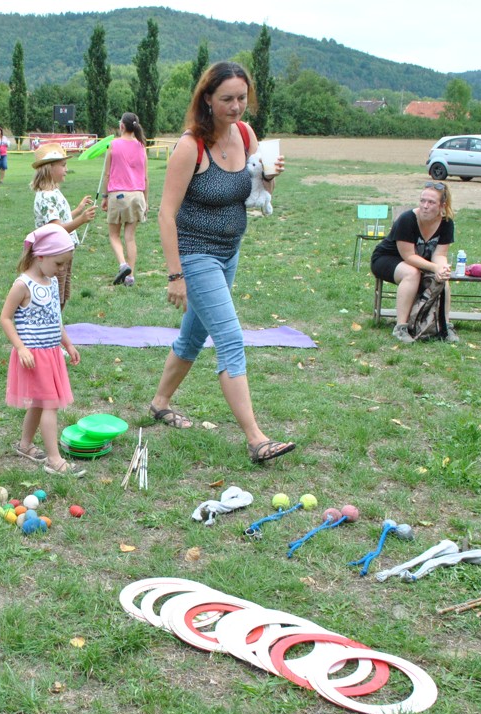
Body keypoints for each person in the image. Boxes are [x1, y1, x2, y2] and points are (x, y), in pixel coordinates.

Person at [145, 61, 295, 464]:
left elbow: (257, 192)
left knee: (193, 336)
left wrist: (270, 176)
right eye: (227, 98)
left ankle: (159, 403)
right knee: (230, 338)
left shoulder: (246, 135)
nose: (236, 106)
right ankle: (256, 439)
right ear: (207, 99)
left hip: (230, 251)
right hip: (196, 254)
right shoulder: (190, 146)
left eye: (242, 98)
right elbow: (165, 214)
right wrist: (175, 275)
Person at [0, 223, 85, 477]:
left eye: (65, 264)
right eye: (59, 263)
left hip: (52, 354)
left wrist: (67, 343)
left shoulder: (50, 282)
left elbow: (54, 318)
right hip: (34, 356)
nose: (62, 269)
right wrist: (21, 348)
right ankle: (54, 459)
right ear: (40, 256)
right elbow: (5, 318)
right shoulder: (22, 285)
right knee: (50, 404)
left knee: (39, 403)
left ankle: (25, 445)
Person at [370, 182, 459, 344]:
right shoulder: (407, 219)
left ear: (442, 205)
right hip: (387, 258)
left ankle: (445, 327)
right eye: (422, 200)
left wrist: (442, 269)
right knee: (412, 273)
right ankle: (401, 328)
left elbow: (439, 254)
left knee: (443, 279)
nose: (425, 206)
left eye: (431, 202)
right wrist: (434, 267)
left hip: (418, 261)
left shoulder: (446, 223)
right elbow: (409, 256)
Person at [31, 143, 97, 309]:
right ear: (49, 168)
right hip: (54, 254)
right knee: (56, 296)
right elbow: (57, 229)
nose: (66, 169)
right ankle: (54, 322)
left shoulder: (53, 193)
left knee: (63, 294)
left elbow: (61, 219)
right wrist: (81, 219)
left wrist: (78, 210)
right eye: (63, 165)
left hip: (63, 252)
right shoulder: (46, 197)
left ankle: (58, 321)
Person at [101, 112, 149, 285]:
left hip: (118, 195)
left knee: (114, 235)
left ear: (122, 126)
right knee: (130, 237)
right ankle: (130, 277)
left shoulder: (113, 145)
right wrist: (146, 201)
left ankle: (123, 265)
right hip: (137, 196)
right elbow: (145, 178)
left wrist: (105, 196)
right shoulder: (141, 146)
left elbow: (107, 174)